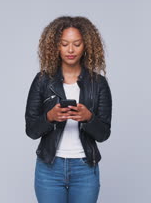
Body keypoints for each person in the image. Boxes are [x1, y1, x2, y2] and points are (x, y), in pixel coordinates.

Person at [25, 16, 113, 203]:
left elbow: (104, 134)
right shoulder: (42, 81)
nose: (70, 50)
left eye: (77, 44)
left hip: (85, 168)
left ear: (86, 46)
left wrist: (89, 118)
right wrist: (49, 117)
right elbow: (31, 130)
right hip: (49, 168)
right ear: (55, 46)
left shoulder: (98, 83)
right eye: (64, 44)